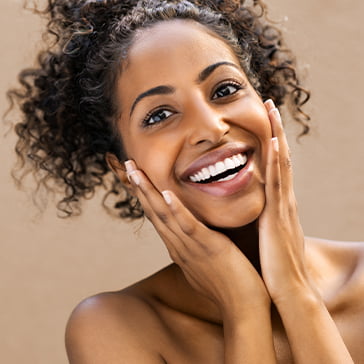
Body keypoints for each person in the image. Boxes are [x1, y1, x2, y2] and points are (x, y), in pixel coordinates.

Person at [8, 0, 363, 362]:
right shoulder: (115, 329)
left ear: (263, 100)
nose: (210, 128)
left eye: (224, 90)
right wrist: (243, 308)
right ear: (125, 169)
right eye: (159, 114)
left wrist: (296, 292)